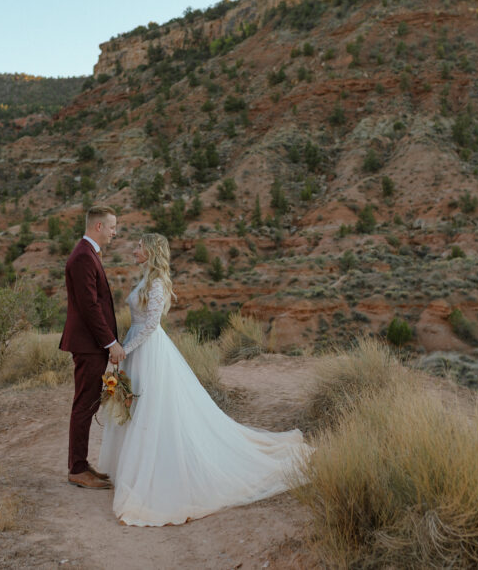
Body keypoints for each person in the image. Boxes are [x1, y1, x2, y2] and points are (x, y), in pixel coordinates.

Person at [97, 233, 310, 526]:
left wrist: (125, 350)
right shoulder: (147, 279)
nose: (134, 251)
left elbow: (151, 326)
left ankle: (156, 471)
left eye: (139, 247)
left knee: (152, 407)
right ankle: (134, 468)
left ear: (151, 252)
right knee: (136, 407)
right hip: (135, 349)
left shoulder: (157, 283)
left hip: (146, 350)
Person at [60, 206, 125, 490]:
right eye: (112, 227)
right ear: (98, 226)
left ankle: (82, 465)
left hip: (91, 344)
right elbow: (89, 306)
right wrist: (110, 342)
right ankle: (77, 468)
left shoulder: (88, 254)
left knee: (88, 402)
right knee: (84, 404)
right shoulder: (84, 256)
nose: (115, 232)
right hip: (89, 345)